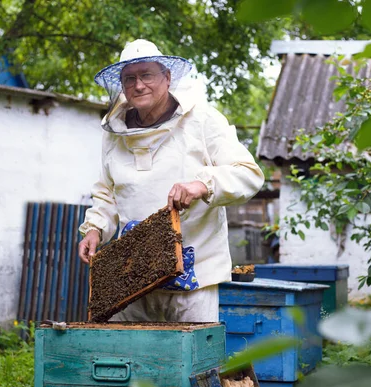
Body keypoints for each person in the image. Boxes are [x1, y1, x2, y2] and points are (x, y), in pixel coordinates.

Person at [78, 39, 264, 322]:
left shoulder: (202, 121)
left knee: (192, 363)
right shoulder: (113, 134)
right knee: (128, 359)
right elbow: (107, 193)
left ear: (167, 77)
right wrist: (95, 228)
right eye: (130, 78)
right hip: (133, 277)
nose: (139, 85)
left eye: (147, 75)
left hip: (194, 278)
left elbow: (249, 174)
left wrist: (201, 185)